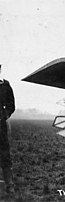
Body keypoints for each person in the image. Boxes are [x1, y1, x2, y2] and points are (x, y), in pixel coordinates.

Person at [0, 64, 15, 193]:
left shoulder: (5, 85)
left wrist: (5, 114)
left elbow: (11, 104)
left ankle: (9, 184)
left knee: (4, 152)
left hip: (0, 124)